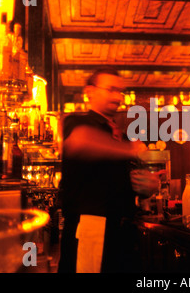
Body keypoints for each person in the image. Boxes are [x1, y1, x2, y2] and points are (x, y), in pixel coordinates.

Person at [57, 68, 159, 273]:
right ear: (90, 91)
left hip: (123, 231)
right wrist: (129, 149)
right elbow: (80, 140)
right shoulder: (77, 123)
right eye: (111, 89)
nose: (117, 96)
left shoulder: (120, 136)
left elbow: (127, 181)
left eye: (120, 91)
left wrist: (148, 185)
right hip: (90, 228)